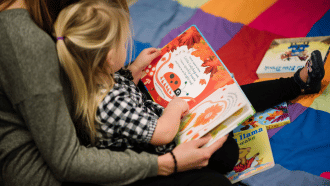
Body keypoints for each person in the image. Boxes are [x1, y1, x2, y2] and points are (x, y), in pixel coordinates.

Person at [0, 0, 325, 185]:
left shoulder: (95, 78)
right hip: (155, 137)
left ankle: (297, 82)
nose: (127, 45)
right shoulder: (24, 42)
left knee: (224, 93)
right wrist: (176, 115)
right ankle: (294, 84)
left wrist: (133, 71)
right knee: (224, 143)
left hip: (142, 120)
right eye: (121, 43)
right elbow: (161, 133)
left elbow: (116, 93)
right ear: (105, 58)